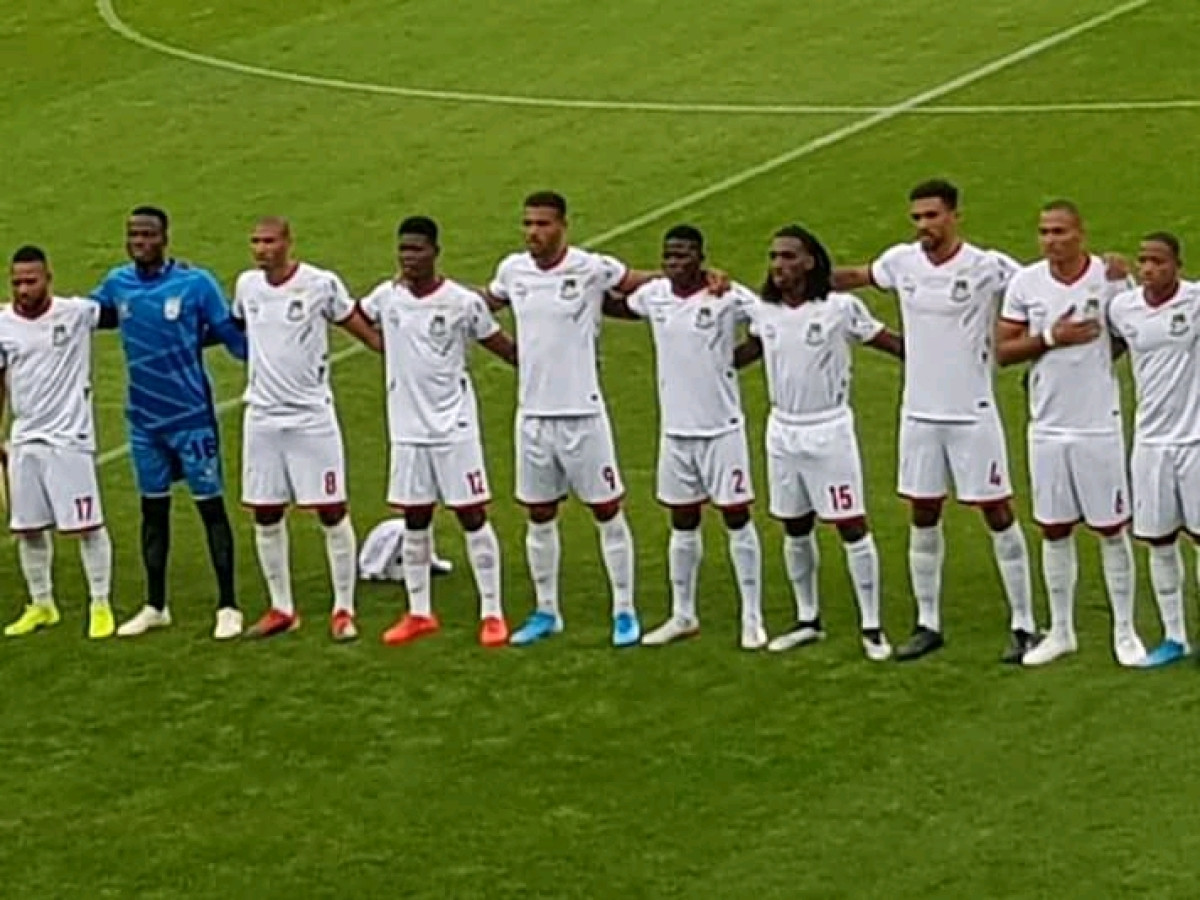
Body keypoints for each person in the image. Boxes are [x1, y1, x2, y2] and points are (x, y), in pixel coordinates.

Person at [483, 190, 722, 648]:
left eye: (543, 224)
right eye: (528, 224)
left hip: (584, 415)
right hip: (532, 416)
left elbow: (643, 281)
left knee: (606, 510)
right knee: (538, 514)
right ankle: (546, 611)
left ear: (563, 226)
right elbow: (479, 308)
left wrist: (699, 279)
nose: (534, 232)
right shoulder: (512, 271)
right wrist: (512, 354)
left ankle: (624, 611)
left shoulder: (592, 267)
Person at [834, 179, 1038, 662]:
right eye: (917, 218)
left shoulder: (988, 266)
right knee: (922, 513)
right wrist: (802, 275)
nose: (924, 226)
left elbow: (1039, 291)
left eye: (932, 216)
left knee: (997, 511)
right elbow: (858, 276)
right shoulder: (900, 262)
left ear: (954, 216)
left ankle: (1025, 623)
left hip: (972, 411)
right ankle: (928, 622)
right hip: (919, 413)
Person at [737, 225, 904, 660]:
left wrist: (941, 356)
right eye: (774, 257)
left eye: (788, 257)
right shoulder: (763, 312)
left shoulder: (840, 308)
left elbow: (888, 342)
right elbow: (746, 353)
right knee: (794, 524)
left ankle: (872, 625)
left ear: (810, 262)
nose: (778, 265)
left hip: (829, 429)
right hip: (782, 431)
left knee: (850, 523)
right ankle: (807, 618)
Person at [996, 201, 1144, 667]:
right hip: (1047, 425)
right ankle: (1061, 631)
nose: (1050, 240)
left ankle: (1125, 631)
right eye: (1043, 232)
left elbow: (1129, 334)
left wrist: (1098, 357)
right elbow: (1003, 350)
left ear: (1080, 232)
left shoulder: (1111, 276)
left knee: (1110, 529)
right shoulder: (1026, 283)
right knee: (1054, 529)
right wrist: (1052, 339)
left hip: (1098, 423)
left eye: (1059, 231)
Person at [603, 225, 766, 649]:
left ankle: (752, 616)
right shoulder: (654, 296)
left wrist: (733, 361)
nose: (674, 263)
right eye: (669, 256)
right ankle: (683, 614)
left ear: (701, 257)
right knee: (682, 520)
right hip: (675, 432)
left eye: (683, 256)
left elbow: (767, 325)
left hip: (721, 429)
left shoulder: (726, 296)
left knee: (735, 517)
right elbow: (616, 306)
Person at [91, 206, 248, 640]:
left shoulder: (196, 284)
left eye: (147, 234)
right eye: (132, 235)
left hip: (191, 418)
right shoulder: (116, 284)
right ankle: (155, 605)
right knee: (152, 510)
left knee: (210, 507)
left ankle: (228, 604)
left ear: (165, 238)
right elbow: (79, 316)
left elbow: (234, 337)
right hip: (144, 420)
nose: (139, 242)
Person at [359, 216, 517, 647]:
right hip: (407, 430)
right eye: (403, 250)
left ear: (435, 251)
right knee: (415, 518)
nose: (408, 258)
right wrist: (377, 344)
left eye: (416, 250)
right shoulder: (387, 298)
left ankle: (492, 613)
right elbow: (352, 314)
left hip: (454, 428)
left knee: (471, 514)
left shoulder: (462, 302)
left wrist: (547, 371)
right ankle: (419, 612)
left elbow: (502, 346)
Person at [231, 217, 380, 642]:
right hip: (261, 417)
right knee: (265, 511)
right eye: (255, 241)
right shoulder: (247, 287)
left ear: (288, 243)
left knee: (330, 509)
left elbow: (361, 329)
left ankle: (343, 608)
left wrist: (398, 352)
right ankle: (281, 607)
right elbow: (241, 328)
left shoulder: (320, 284)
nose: (261, 249)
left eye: (269, 241)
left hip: (311, 417)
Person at [0, 246, 115, 639]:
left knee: (87, 526)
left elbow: (124, 305)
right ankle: (42, 604)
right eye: (16, 282)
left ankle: (100, 603)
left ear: (49, 278)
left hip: (70, 438)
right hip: (25, 438)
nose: (23, 289)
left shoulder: (77, 313)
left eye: (31, 281)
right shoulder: (2, 324)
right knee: (28, 528)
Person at [1107, 233, 1200, 668]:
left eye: (1158, 261)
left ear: (1177, 265)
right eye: (1143, 260)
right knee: (1159, 539)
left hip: (1195, 441)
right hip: (1149, 442)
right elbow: (1106, 347)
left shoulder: (1196, 302)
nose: (1149, 268)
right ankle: (1174, 637)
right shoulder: (1123, 307)